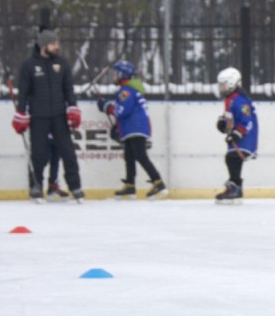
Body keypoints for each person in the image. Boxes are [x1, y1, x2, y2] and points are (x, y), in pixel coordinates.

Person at [11, 28, 85, 203]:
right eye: (53, 44)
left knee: (68, 152)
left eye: (56, 43)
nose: (56, 47)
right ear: (44, 45)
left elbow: (68, 89)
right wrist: (21, 113)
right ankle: (36, 187)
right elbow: (23, 93)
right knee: (38, 154)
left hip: (59, 116)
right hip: (39, 117)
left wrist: (73, 109)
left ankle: (75, 186)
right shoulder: (28, 66)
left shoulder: (62, 64)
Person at [96, 60, 167, 199]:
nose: (114, 76)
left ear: (123, 74)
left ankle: (158, 182)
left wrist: (106, 106)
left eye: (116, 73)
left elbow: (122, 110)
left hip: (136, 128)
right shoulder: (127, 89)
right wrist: (117, 125)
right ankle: (130, 185)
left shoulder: (126, 91)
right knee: (129, 156)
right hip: (132, 128)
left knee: (140, 155)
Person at [214, 67, 258, 203]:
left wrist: (237, 133)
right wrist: (223, 124)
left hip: (245, 139)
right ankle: (235, 187)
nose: (221, 88)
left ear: (232, 83)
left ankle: (235, 186)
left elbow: (247, 121)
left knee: (232, 159)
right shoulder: (230, 99)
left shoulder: (239, 100)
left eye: (224, 85)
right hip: (237, 138)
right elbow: (231, 118)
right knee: (233, 159)